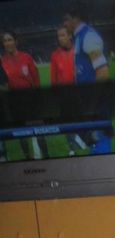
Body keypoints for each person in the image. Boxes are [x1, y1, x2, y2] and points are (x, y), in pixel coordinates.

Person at [62, 1, 112, 154]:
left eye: (66, 19)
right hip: (89, 103)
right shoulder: (79, 37)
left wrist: (92, 104)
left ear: (75, 18)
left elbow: (103, 72)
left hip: (96, 106)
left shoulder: (88, 37)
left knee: (100, 146)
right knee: (94, 143)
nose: (64, 24)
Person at [0, 30, 49, 160]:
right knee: (21, 134)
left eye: (10, 40)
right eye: (5, 41)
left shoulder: (26, 57)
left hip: (31, 101)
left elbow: (36, 80)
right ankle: (27, 158)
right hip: (15, 104)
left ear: (16, 42)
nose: (7, 43)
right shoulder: (2, 62)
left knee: (39, 132)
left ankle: (47, 157)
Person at [49, 25, 87, 156]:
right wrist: (56, 96)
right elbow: (53, 78)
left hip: (79, 93)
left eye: (63, 35)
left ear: (70, 35)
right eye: (58, 36)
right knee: (67, 122)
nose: (60, 38)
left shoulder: (79, 51)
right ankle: (72, 148)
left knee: (80, 119)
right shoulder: (55, 55)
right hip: (64, 96)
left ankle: (84, 142)